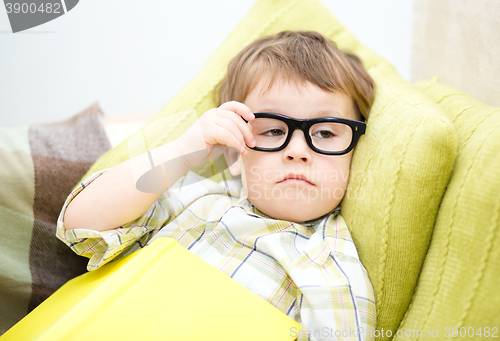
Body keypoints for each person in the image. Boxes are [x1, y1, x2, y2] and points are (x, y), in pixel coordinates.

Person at [57, 31, 376, 341]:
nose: (297, 150)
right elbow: (79, 223)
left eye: (325, 133)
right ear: (235, 153)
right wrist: (182, 152)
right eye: (273, 130)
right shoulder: (191, 200)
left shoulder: (334, 269)